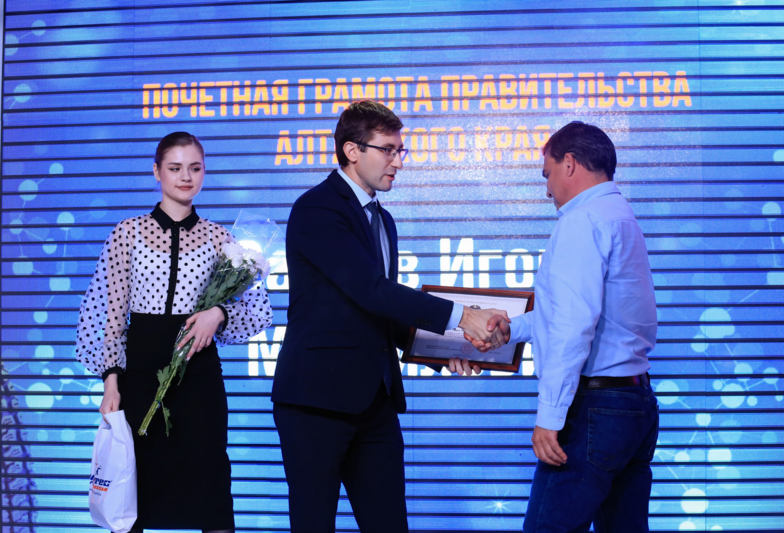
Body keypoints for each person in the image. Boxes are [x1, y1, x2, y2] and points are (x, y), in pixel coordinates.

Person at [271, 100, 506, 533]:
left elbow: (379, 312)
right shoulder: (317, 209)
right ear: (351, 150)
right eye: (388, 150)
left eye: (401, 150)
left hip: (375, 401)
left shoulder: (384, 220)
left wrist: (444, 350)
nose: (398, 162)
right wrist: (463, 316)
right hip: (315, 403)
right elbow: (370, 290)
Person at [457, 121, 659, 532]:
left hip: (594, 410)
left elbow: (572, 327)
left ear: (569, 164)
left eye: (547, 174)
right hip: (634, 405)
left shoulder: (582, 221)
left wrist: (549, 416)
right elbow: (583, 314)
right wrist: (510, 328)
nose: (547, 190)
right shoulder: (619, 215)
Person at [76, 132, 273, 533]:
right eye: (175, 168)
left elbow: (258, 309)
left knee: (210, 489)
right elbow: (111, 315)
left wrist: (218, 313)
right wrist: (110, 382)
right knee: (131, 492)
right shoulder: (127, 232)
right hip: (139, 378)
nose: (186, 177)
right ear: (156, 171)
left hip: (199, 382)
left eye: (195, 168)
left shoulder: (220, 238)